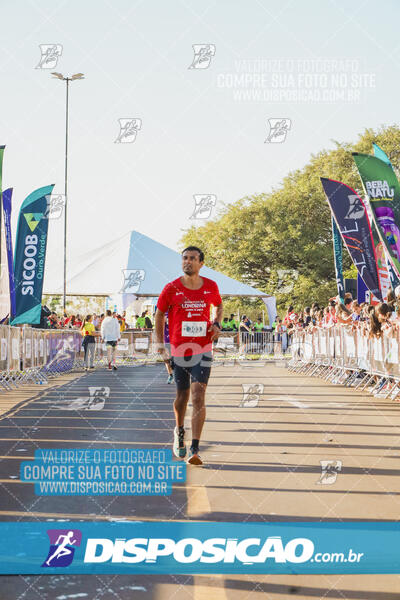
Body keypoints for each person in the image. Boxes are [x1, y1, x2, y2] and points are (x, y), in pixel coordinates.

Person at [154, 246, 223, 465]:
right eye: (185, 258)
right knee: (182, 396)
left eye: (193, 259)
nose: (188, 262)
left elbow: (219, 306)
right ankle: (179, 430)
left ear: (201, 263)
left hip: (202, 348)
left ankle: (195, 448)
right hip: (179, 349)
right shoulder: (171, 287)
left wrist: (217, 324)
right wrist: (160, 344)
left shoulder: (211, 286)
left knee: (198, 395)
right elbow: (159, 315)